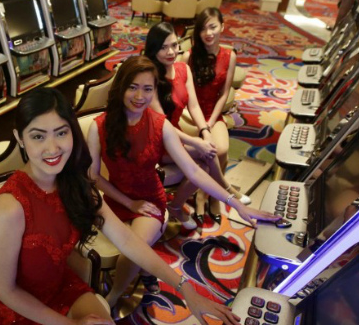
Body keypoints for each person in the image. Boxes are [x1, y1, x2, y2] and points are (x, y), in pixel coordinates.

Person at [0, 88, 242, 325]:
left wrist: (186, 289)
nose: (52, 148)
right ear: (19, 138)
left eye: (61, 133)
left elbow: (128, 241)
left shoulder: (75, 183)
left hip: (62, 287)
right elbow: (5, 290)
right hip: (20, 309)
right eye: (38, 136)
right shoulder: (9, 208)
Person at [86, 56, 280, 309]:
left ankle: (112, 298)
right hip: (116, 200)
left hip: (150, 201)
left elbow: (194, 171)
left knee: (133, 249)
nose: (140, 96)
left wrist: (236, 204)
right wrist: (129, 203)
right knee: (125, 247)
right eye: (133, 87)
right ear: (121, 87)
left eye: (147, 89)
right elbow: (93, 176)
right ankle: (146, 271)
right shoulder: (99, 126)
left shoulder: (160, 125)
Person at [141, 22, 250, 233]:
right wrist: (196, 142)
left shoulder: (183, 69)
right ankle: (226, 188)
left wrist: (205, 131)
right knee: (207, 153)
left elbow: (193, 106)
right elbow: (161, 123)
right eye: (163, 47)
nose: (171, 52)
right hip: (155, 139)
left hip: (175, 136)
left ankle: (175, 206)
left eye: (174, 45)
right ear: (153, 49)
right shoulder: (149, 77)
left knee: (206, 161)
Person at [187, 8, 247, 224]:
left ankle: (207, 194)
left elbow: (224, 94)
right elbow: (185, 94)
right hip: (190, 115)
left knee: (221, 149)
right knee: (212, 151)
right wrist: (201, 125)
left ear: (222, 26)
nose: (208, 33)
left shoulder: (229, 56)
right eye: (203, 29)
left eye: (213, 27)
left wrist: (211, 122)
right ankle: (211, 193)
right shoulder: (190, 56)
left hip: (213, 113)